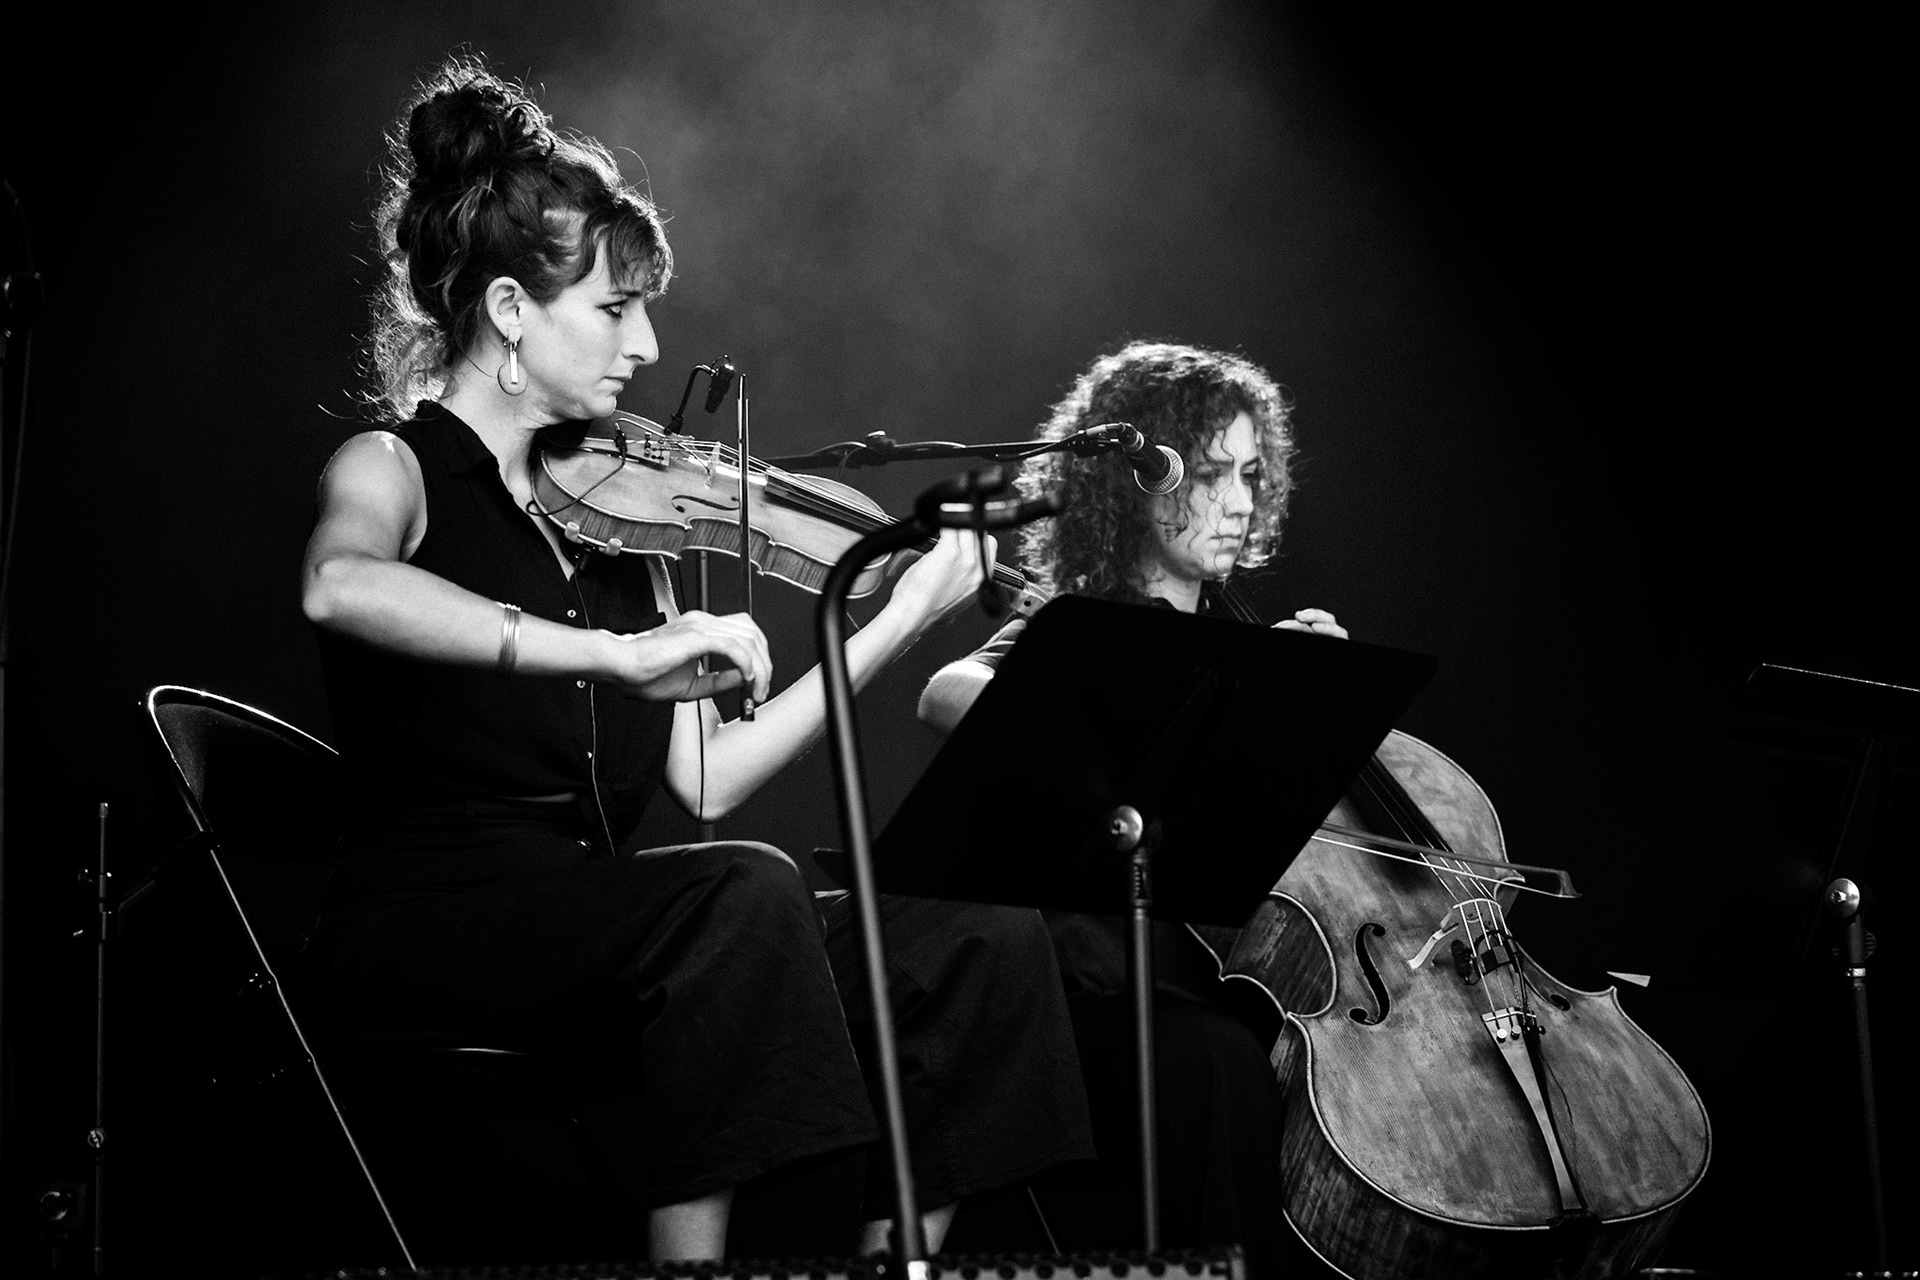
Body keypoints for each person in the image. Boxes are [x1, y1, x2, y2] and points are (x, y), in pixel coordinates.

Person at [298, 54, 1088, 1264]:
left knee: (974, 927)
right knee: (740, 887)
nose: (647, 341)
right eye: (614, 311)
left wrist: (895, 615)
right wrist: (617, 657)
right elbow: (339, 585)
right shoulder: (393, 468)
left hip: (597, 921)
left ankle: (900, 1257)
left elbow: (708, 784)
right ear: (512, 312)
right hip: (429, 926)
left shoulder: (622, 520)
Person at [918, 340, 1347, 1278]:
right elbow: (949, 693)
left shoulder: (1241, 643)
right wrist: (1177, 708)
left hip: (1212, 978)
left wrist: (1304, 704)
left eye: (1250, 475)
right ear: (1137, 484)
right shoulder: (1086, 622)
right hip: (1089, 994)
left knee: (1265, 1059)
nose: (1237, 502)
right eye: (1207, 475)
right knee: (1218, 1064)